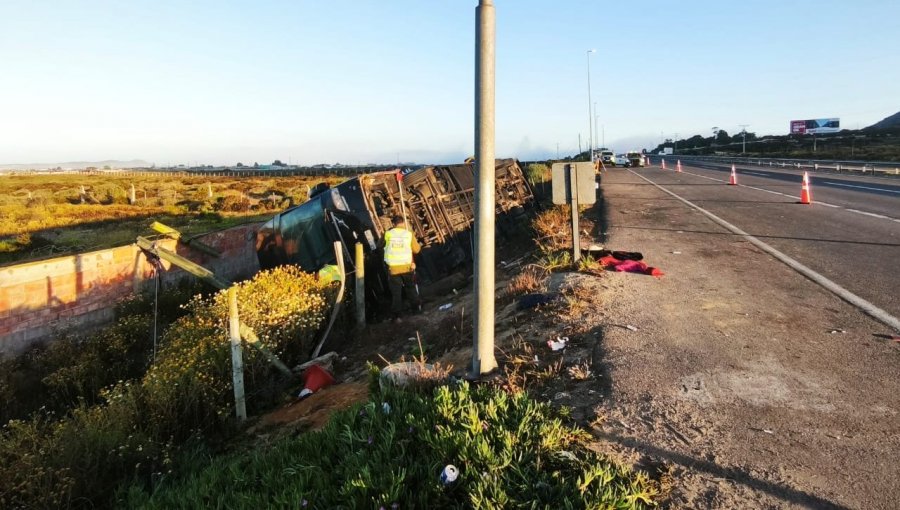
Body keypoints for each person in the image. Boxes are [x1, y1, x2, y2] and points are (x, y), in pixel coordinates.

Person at [380, 215, 421, 322]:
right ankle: (416, 310)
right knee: (411, 288)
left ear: (393, 224)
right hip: (407, 267)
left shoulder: (387, 234)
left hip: (393, 268)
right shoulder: (408, 234)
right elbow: (416, 250)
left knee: (396, 292)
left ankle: (397, 315)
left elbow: (379, 246)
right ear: (403, 222)